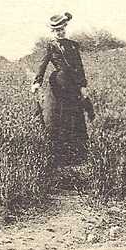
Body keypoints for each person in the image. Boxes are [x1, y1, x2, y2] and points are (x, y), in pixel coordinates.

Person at [32, 12, 91, 166]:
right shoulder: (51, 46)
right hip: (58, 86)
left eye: (62, 29)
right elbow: (43, 65)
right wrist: (37, 82)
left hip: (73, 86)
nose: (60, 32)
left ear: (65, 28)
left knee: (75, 118)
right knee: (58, 119)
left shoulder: (72, 45)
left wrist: (83, 86)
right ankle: (59, 156)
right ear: (52, 32)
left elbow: (79, 67)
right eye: (57, 30)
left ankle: (78, 156)